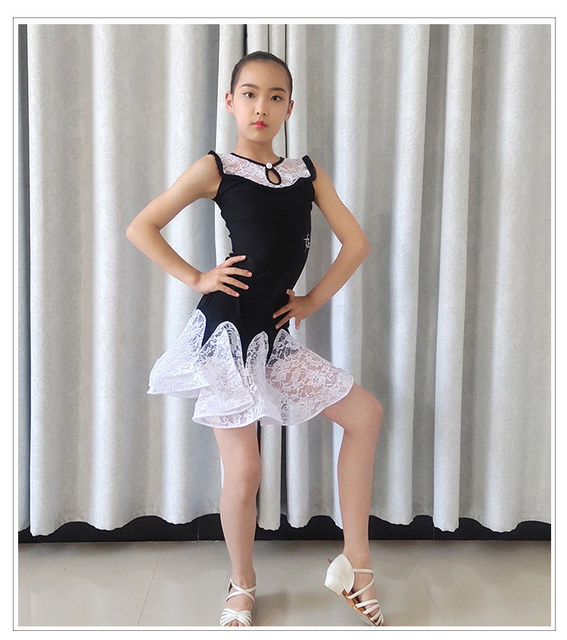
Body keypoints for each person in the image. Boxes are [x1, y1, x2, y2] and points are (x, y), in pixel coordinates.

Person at [126, 50, 385, 627]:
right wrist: (197, 276)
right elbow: (141, 226)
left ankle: (357, 565)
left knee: (365, 415)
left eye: (274, 96)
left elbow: (357, 243)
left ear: (290, 107)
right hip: (226, 336)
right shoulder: (215, 167)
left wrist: (312, 300)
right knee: (245, 470)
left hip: (274, 337)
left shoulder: (306, 174)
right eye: (249, 94)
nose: (261, 106)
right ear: (230, 101)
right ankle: (241, 584)